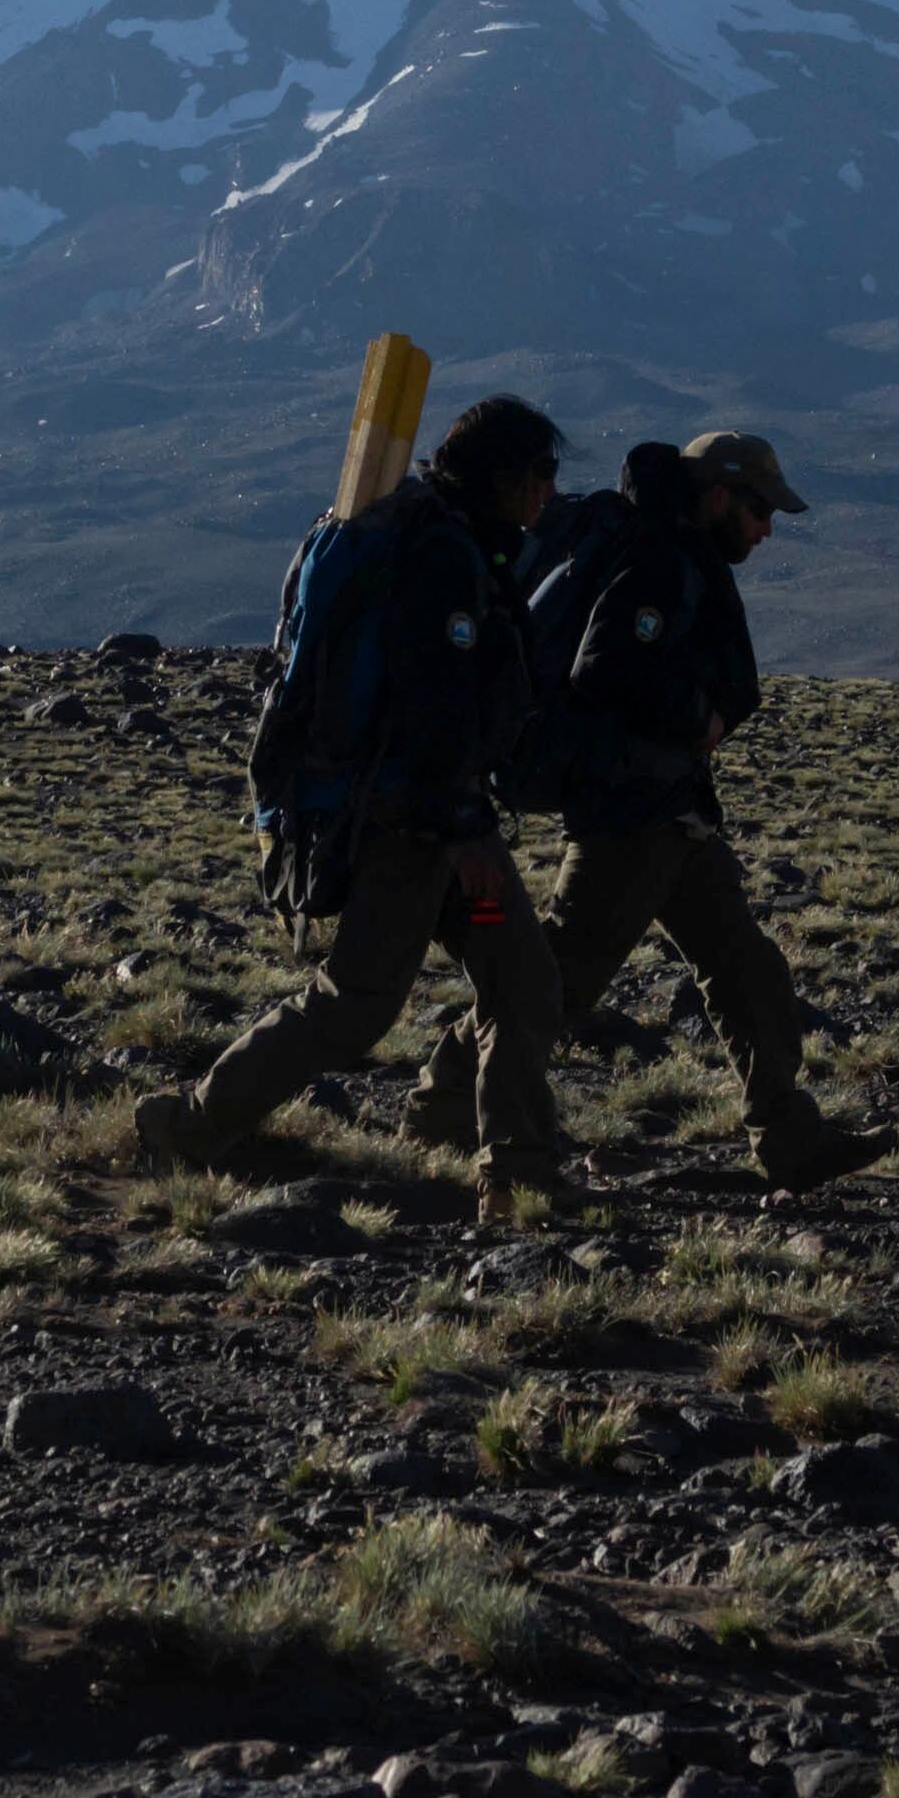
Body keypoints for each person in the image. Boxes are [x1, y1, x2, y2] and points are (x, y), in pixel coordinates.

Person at [139, 395, 583, 1219]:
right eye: (541, 473)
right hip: (419, 833)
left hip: (439, 826)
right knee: (358, 1004)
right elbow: (434, 710)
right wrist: (466, 828)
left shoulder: (456, 541)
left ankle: (518, 1176)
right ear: (503, 475)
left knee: (520, 982)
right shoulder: (445, 555)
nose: (549, 492)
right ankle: (190, 1124)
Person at [425, 427, 875, 1191]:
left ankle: (792, 1137)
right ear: (721, 495)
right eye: (761, 510)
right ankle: (439, 1107)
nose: (767, 530)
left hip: (673, 812)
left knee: (748, 972)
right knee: (556, 982)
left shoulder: (678, 552)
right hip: (633, 814)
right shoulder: (662, 558)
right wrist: (696, 715)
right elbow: (606, 668)